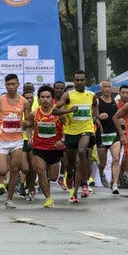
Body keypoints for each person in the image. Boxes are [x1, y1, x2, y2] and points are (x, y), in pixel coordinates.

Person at [54, 70, 98, 203]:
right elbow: (55, 110)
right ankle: (70, 175)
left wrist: (95, 117)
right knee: (71, 164)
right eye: (77, 80)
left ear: (86, 81)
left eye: (82, 80)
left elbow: (95, 106)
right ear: (74, 81)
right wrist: (69, 110)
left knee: (82, 152)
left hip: (86, 130)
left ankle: (80, 187)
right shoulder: (68, 95)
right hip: (71, 132)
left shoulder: (91, 95)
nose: (79, 82)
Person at [0, 74, 32, 209]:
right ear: (5, 85)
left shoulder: (24, 102)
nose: (11, 87)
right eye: (8, 84)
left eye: (13, 84)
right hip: (2, 140)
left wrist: (27, 128)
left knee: (14, 169)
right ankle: (0, 174)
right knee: (2, 171)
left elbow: (29, 122)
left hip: (17, 140)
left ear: (18, 84)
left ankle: (9, 199)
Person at [31, 85, 69, 208]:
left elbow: (67, 127)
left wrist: (62, 140)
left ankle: (48, 181)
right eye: (42, 97)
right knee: (40, 171)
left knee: (52, 177)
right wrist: (29, 137)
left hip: (54, 148)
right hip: (39, 147)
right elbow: (28, 125)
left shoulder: (58, 113)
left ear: (52, 99)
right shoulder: (34, 113)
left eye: (48, 97)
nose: (45, 99)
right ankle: (48, 198)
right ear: (38, 99)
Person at [95, 81, 122, 194]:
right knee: (103, 163)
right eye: (105, 87)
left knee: (116, 158)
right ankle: (101, 172)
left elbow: (118, 116)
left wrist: (120, 121)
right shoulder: (97, 101)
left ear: (112, 89)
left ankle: (114, 184)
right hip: (102, 135)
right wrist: (98, 117)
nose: (107, 89)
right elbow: (92, 117)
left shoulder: (115, 102)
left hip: (113, 134)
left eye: (109, 87)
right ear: (101, 89)